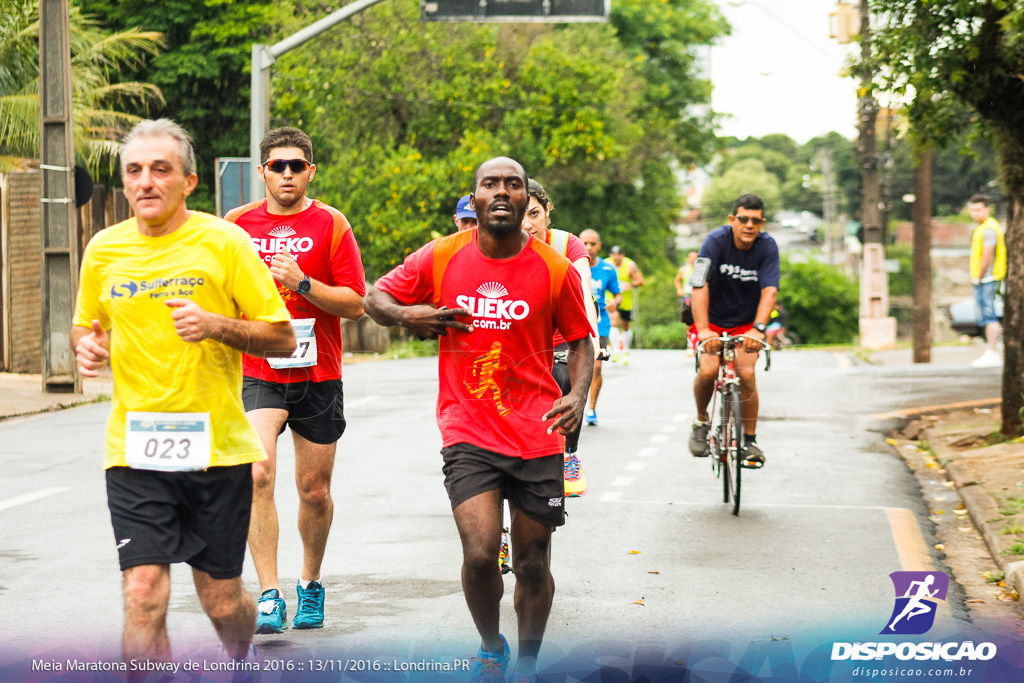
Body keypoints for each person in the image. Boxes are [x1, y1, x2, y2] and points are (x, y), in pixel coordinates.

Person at [71, 119, 296, 665]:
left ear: (188, 181)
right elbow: (86, 325)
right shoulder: (104, 250)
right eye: (134, 171)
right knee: (143, 593)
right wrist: (86, 347)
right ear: (124, 183)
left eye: (160, 170)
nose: (146, 181)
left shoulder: (224, 241)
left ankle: (241, 662)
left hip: (216, 450)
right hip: (134, 449)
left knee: (221, 601)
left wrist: (217, 325)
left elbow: (283, 337)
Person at [363, 157, 593, 683]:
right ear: (476, 197)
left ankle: (530, 666)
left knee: (533, 560)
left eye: (513, 184)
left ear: (524, 200)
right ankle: (492, 645)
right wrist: (405, 314)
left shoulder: (553, 269)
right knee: (481, 551)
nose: (502, 192)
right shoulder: (442, 256)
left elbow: (580, 340)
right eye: (491, 184)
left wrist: (577, 394)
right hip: (468, 426)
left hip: (537, 431)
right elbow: (375, 296)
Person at [225, 127, 367, 634]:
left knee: (314, 490)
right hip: (258, 368)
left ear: (311, 170)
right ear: (261, 170)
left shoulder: (331, 223)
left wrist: (302, 284)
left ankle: (310, 583)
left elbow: (356, 302)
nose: (287, 173)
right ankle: (268, 594)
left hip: (318, 371)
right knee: (256, 473)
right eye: (277, 165)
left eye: (297, 165)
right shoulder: (237, 224)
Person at [687, 193, 779, 469]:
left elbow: (770, 290)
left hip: (746, 325)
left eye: (755, 220)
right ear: (732, 220)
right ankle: (701, 422)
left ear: (761, 223)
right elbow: (699, 284)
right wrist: (703, 329)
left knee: (747, 374)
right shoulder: (716, 241)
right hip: (711, 321)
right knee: (708, 370)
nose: (749, 225)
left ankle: (749, 440)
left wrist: (759, 329)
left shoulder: (767, 246)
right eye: (743, 219)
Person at [521, 179, 597, 497]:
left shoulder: (567, 244)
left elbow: (584, 293)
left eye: (534, 213)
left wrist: (593, 340)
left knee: (566, 378)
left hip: (564, 336)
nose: (528, 224)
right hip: (524, 341)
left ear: (547, 210)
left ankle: (569, 455)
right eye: (520, 215)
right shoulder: (505, 244)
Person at [580, 229, 621, 426]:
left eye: (592, 244)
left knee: (596, 366)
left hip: (600, 324)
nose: (588, 247)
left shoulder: (608, 269)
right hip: (577, 322)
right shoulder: (573, 265)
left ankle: (592, 409)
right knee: (574, 366)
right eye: (584, 243)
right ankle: (576, 405)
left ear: (599, 246)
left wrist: (615, 303)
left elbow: (617, 294)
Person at [966, 194, 1005, 368]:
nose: (975, 213)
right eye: (972, 210)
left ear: (987, 209)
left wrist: (979, 277)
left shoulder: (989, 228)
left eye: (978, 209)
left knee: (989, 315)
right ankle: (991, 351)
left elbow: (987, 255)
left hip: (988, 278)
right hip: (985, 278)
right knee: (986, 315)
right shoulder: (983, 227)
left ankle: (992, 351)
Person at [607, 245, 644, 364]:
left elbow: (640, 281)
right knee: (613, 321)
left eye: (619, 255)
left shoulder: (630, 265)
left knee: (625, 325)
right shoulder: (606, 264)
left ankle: (626, 350)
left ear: (622, 256)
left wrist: (631, 285)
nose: (616, 257)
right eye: (614, 255)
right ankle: (616, 351)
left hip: (626, 299)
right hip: (611, 297)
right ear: (610, 255)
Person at [675, 251, 699, 356]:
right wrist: (679, 289)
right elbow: (677, 280)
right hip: (687, 297)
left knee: (699, 319)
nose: (693, 260)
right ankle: (689, 343)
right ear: (688, 259)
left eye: (695, 258)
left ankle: (698, 341)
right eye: (691, 258)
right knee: (688, 321)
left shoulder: (701, 270)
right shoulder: (684, 270)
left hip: (699, 297)